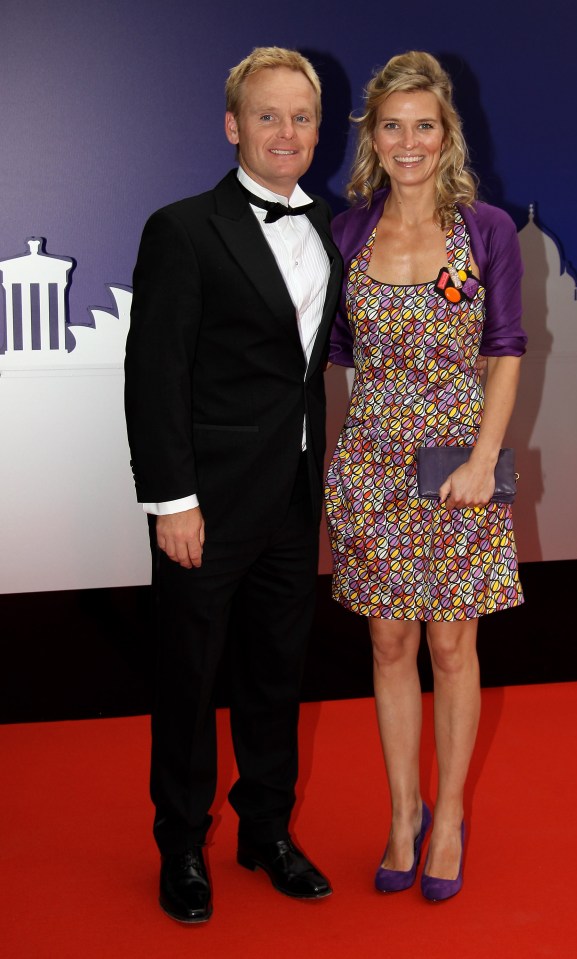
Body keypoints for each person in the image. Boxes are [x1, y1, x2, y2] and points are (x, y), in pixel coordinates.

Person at [124, 46, 342, 923]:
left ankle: (266, 832)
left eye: (301, 117)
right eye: (267, 115)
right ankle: (180, 844)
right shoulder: (181, 229)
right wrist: (171, 501)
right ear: (232, 126)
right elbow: (154, 373)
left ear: (317, 130)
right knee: (187, 679)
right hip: (203, 509)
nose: (285, 131)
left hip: (292, 499)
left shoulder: (331, 229)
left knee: (275, 676)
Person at [325, 51, 526, 902]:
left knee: (451, 643)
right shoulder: (346, 231)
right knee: (388, 640)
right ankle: (403, 812)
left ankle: (448, 819)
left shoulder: (486, 229)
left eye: (425, 126)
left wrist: (484, 458)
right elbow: (336, 356)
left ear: (448, 136)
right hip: (371, 465)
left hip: (457, 471)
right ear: (372, 136)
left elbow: (506, 350)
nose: (409, 141)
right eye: (393, 125)